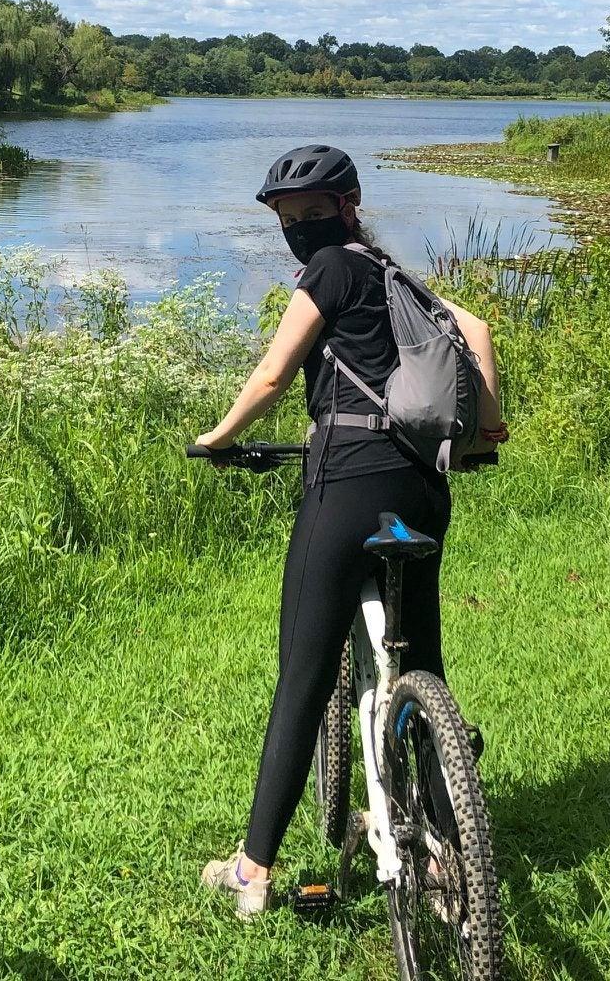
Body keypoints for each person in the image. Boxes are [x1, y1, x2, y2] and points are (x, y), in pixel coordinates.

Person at [191, 144, 507, 916]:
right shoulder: (400, 275)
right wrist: (484, 434)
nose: (300, 230)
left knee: (301, 677)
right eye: (289, 221)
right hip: (425, 488)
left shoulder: (328, 271)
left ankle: (253, 868)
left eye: (309, 216)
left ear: (345, 205)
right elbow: (479, 328)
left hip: (348, 483)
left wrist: (219, 438)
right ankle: (444, 849)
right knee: (422, 661)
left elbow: (271, 375)